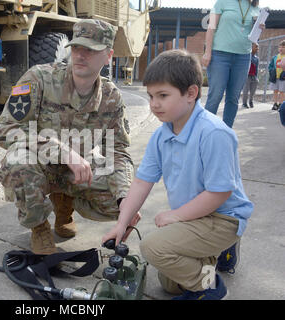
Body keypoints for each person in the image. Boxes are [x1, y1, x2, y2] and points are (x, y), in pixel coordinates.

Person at [102, 50, 254, 300]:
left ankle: (211, 287)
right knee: (170, 283)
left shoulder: (214, 133)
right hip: (195, 216)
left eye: (163, 95)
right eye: (151, 96)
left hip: (223, 217)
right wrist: (121, 224)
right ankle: (221, 253)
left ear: (191, 93)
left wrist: (176, 215)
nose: (154, 104)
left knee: (153, 248)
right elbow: (142, 182)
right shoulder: (161, 135)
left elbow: (220, 192)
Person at [0, 19, 135, 255]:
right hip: (42, 167)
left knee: (126, 199)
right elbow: (5, 129)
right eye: (77, 47)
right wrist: (61, 150)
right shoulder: (39, 78)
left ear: (108, 55)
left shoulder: (112, 97)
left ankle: (64, 206)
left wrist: (125, 197)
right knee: (17, 162)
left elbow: (117, 151)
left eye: (91, 50)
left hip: (77, 172)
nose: (81, 55)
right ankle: (39, 227)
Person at [202, 0, 262, 128]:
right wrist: (207, 52)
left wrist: (260, 28)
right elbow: (211, 27)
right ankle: (205, 131)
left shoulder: (255, 8)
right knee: (216, 95)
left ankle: (226, 131)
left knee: (233, 98)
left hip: (243, 57)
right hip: (219, 55)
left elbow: (254, 36)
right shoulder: (222, 2)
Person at [269, 40, 285, 111]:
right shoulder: (275, 57)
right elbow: (270, 66)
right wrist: (272, 71)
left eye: (283, 47)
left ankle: (281, 104)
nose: (281, 49)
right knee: (275, 90)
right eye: (280, 47)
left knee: (282, 91)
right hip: (275, 77)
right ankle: (275, 104)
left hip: (283, 77)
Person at [242, 43, 259, 108]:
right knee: (245, 90)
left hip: (253, 76)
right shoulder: (247, 56)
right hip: (247, 76)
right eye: (256, 47)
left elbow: (257, 68)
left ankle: (251, 101)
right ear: (251, 47)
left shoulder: (256, 58)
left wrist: (256, 76)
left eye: (258, 47)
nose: (257, 49)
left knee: (253, 90)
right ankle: (244, 103)